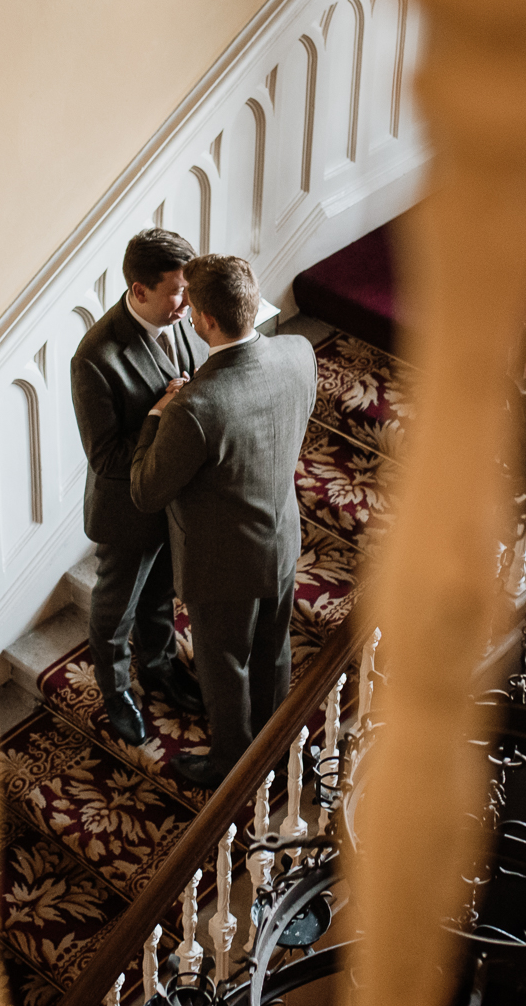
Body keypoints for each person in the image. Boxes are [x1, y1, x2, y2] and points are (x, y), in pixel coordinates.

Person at [130, 254, 316, 789]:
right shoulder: (299, 353)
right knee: (273, 648)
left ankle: (233, 763)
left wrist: (155, 418)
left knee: (225, 666)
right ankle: (276, 742)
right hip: (281, 537)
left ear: (205, 321)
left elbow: (146, 491)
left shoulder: (195, 407)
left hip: (221, 564)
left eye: (190, 303)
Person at [70, 229, 209, 745]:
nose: (188, 302)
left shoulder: (183, 320)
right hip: (127, 509)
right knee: (116, 611)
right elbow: (104, 457)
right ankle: (115, 691)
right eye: (177, 291)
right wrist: (158, 416)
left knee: (159, 596)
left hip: (172, 499)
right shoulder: (95, 358)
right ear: (138, 291)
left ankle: (160, 667)